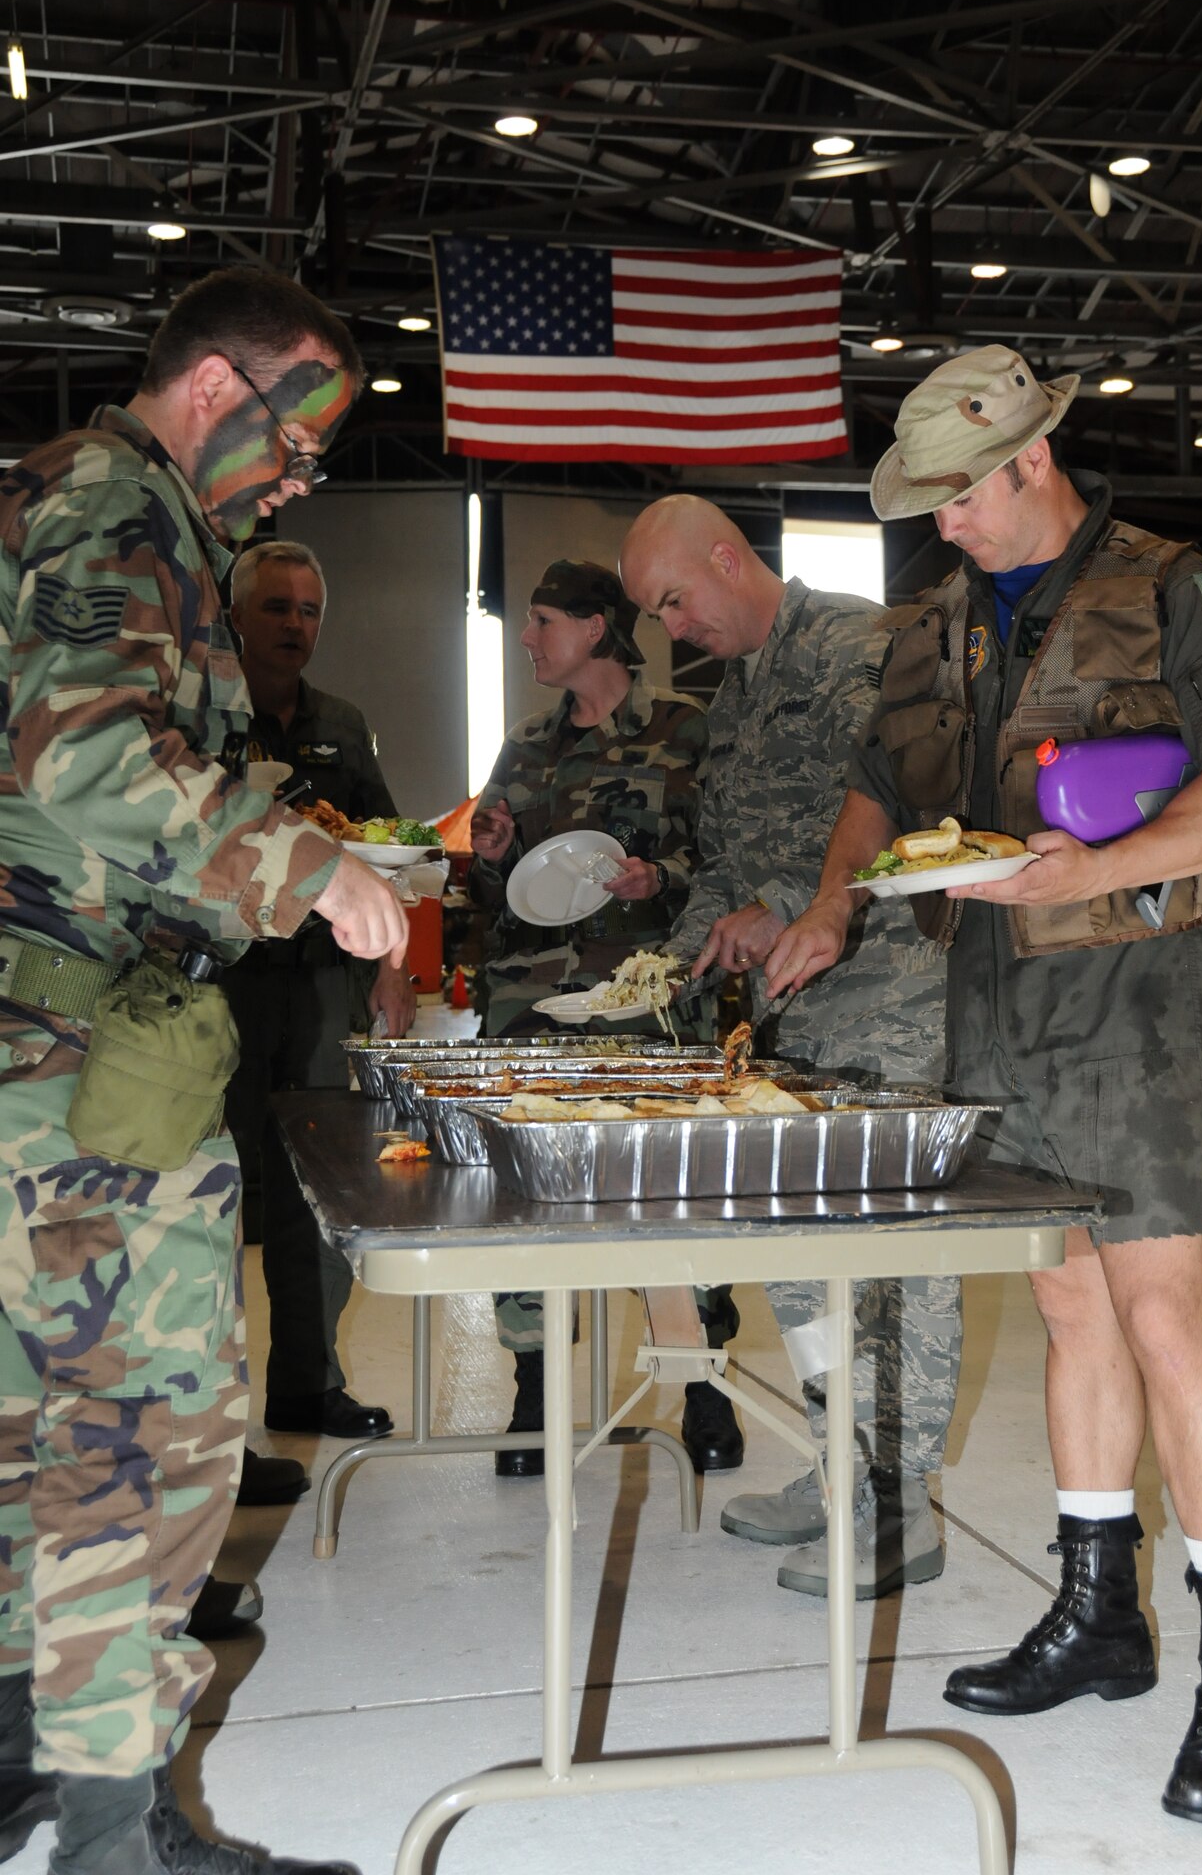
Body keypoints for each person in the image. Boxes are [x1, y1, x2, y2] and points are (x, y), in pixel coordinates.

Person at [766, 343, 1202, 1824]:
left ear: (1029, 461)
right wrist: (831, 904)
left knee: (1164, 1320)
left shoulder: (1180, 588)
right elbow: (882, 786)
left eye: (957, 497)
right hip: (990, 998)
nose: (939, 524)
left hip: (1134, 998)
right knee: (1068, 1302)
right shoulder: (933, 621)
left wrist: (1101, 865)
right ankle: (1099, 1614)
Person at [0, 265, 408, 1875]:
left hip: (35, 1033)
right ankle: (117, 1832)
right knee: (150, 1424)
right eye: (300, 437)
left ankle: (26, 1767)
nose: (304, 475)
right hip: (81, 1058)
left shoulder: (46, 493)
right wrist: (300, 866)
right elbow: (85, 757)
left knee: (31, 1417)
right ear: (222, 386)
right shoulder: (121, 504)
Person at [619, 499, 960, 1602]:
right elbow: (727, 859)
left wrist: (781, 900)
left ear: (728, 558)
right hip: (784, 1016)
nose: (671, 627)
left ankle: (898, 1507)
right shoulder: (737, 695)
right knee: (801, 1261)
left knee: (889, 1259)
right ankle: (839, 1471)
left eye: (674, 598)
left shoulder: (859, 646)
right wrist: (669, 967)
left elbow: (905, 806)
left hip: (885, 992)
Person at [469, 559, 741, 1476]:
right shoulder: (524, 747)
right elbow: (491, 891)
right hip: (531, 1003)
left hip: (645, 996)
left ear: (593, 629)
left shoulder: (684, 732)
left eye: (540, 620)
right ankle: (535, 1388)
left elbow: (736, 866)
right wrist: (493, 852)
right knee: (528, 1198)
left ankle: (703, 1384)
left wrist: (658, 878)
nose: (528, 638)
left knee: (673, 1191)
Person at [225, 539, 413, 1442]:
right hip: (213, 988)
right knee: (212, 1193)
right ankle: (209, 1417)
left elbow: (386, 846)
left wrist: (393, 971)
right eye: (276, 607)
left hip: (318, 988)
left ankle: (306, 1381)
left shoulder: (342, 718)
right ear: (235, 615)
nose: (295, 625)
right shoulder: (203, 711)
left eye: (308, 611)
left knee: (315, 1188)